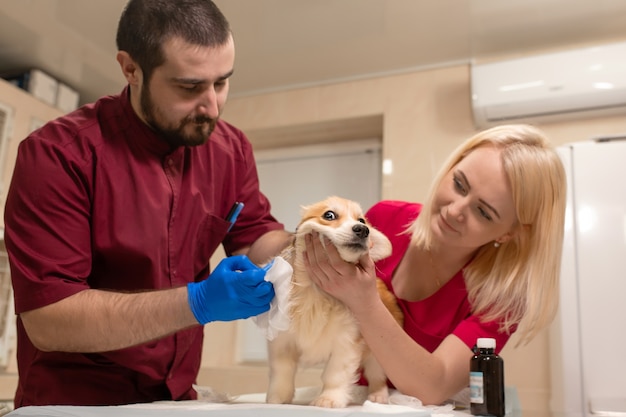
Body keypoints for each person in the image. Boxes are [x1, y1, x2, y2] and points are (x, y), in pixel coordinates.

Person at [4, 0, 292, 408]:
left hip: (175, 396)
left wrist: (309, 243)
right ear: (131, 68)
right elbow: (51, 320)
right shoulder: (58, 155)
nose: (212, 106)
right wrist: (199, 302)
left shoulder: (230, 150)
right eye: (190, 87)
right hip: (74, 402)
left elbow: (253, 238)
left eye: (222, 82)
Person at [303, 124, 567, 405]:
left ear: (508, 233)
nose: (454, 210)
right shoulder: (384, 219)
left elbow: (433, 387)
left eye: (482, 211)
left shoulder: (500, 297)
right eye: (459, 184)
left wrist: (364, 301)